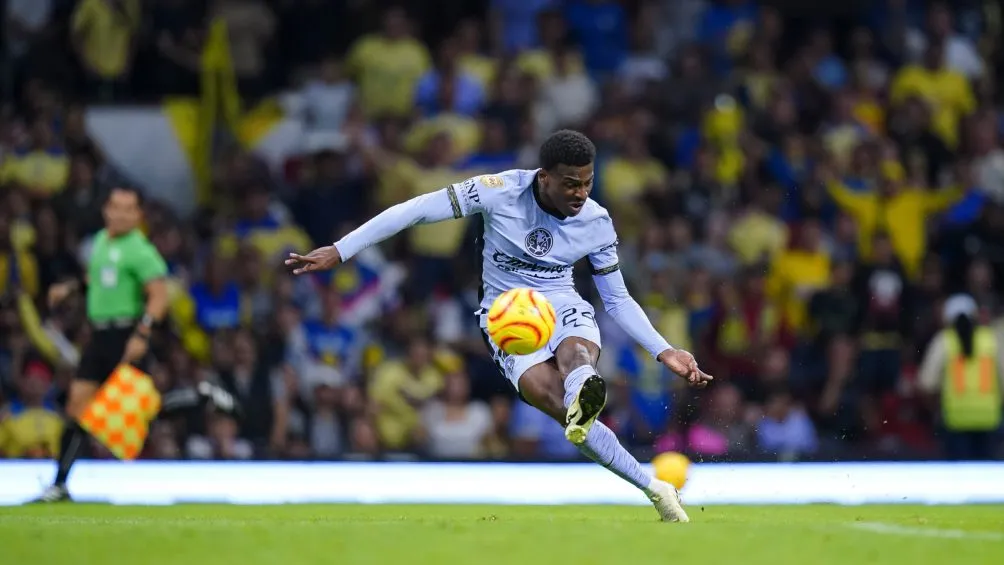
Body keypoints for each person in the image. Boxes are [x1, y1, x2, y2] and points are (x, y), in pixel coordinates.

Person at [287, 130, 713, 522]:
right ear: (543, 177)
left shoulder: (597, 221)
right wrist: (342, 250)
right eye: (570, 183)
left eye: (587, 182)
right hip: (506, 317)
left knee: (577, 355)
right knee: (566, 415)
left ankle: (584, 382)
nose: (581, 193)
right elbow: (416, 210)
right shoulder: (497, 191)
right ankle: (655, 489)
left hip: (561, 302)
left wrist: (663, 350)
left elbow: (616, 298)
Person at [34, 186, 237, 503]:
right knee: (78, 408)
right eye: (117, 207)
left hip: (126, 334)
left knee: (142, 415)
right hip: (99, 336)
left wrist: (141, 334)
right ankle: (59, 484)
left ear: (139, 215)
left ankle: (200, 396)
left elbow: (158, 297)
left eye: (129, 209)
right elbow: (96, 278)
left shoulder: (141, 250)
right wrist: (70, 288)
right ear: (106, 211)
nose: (122, 214)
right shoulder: (101, 241)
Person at [917, 294, 1004, 460]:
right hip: (989, 420)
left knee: (959, 479)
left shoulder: (944, 341)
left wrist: (936, 410)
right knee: (986, 478)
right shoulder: (991, 339)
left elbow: (926, 383)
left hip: (955, 422)